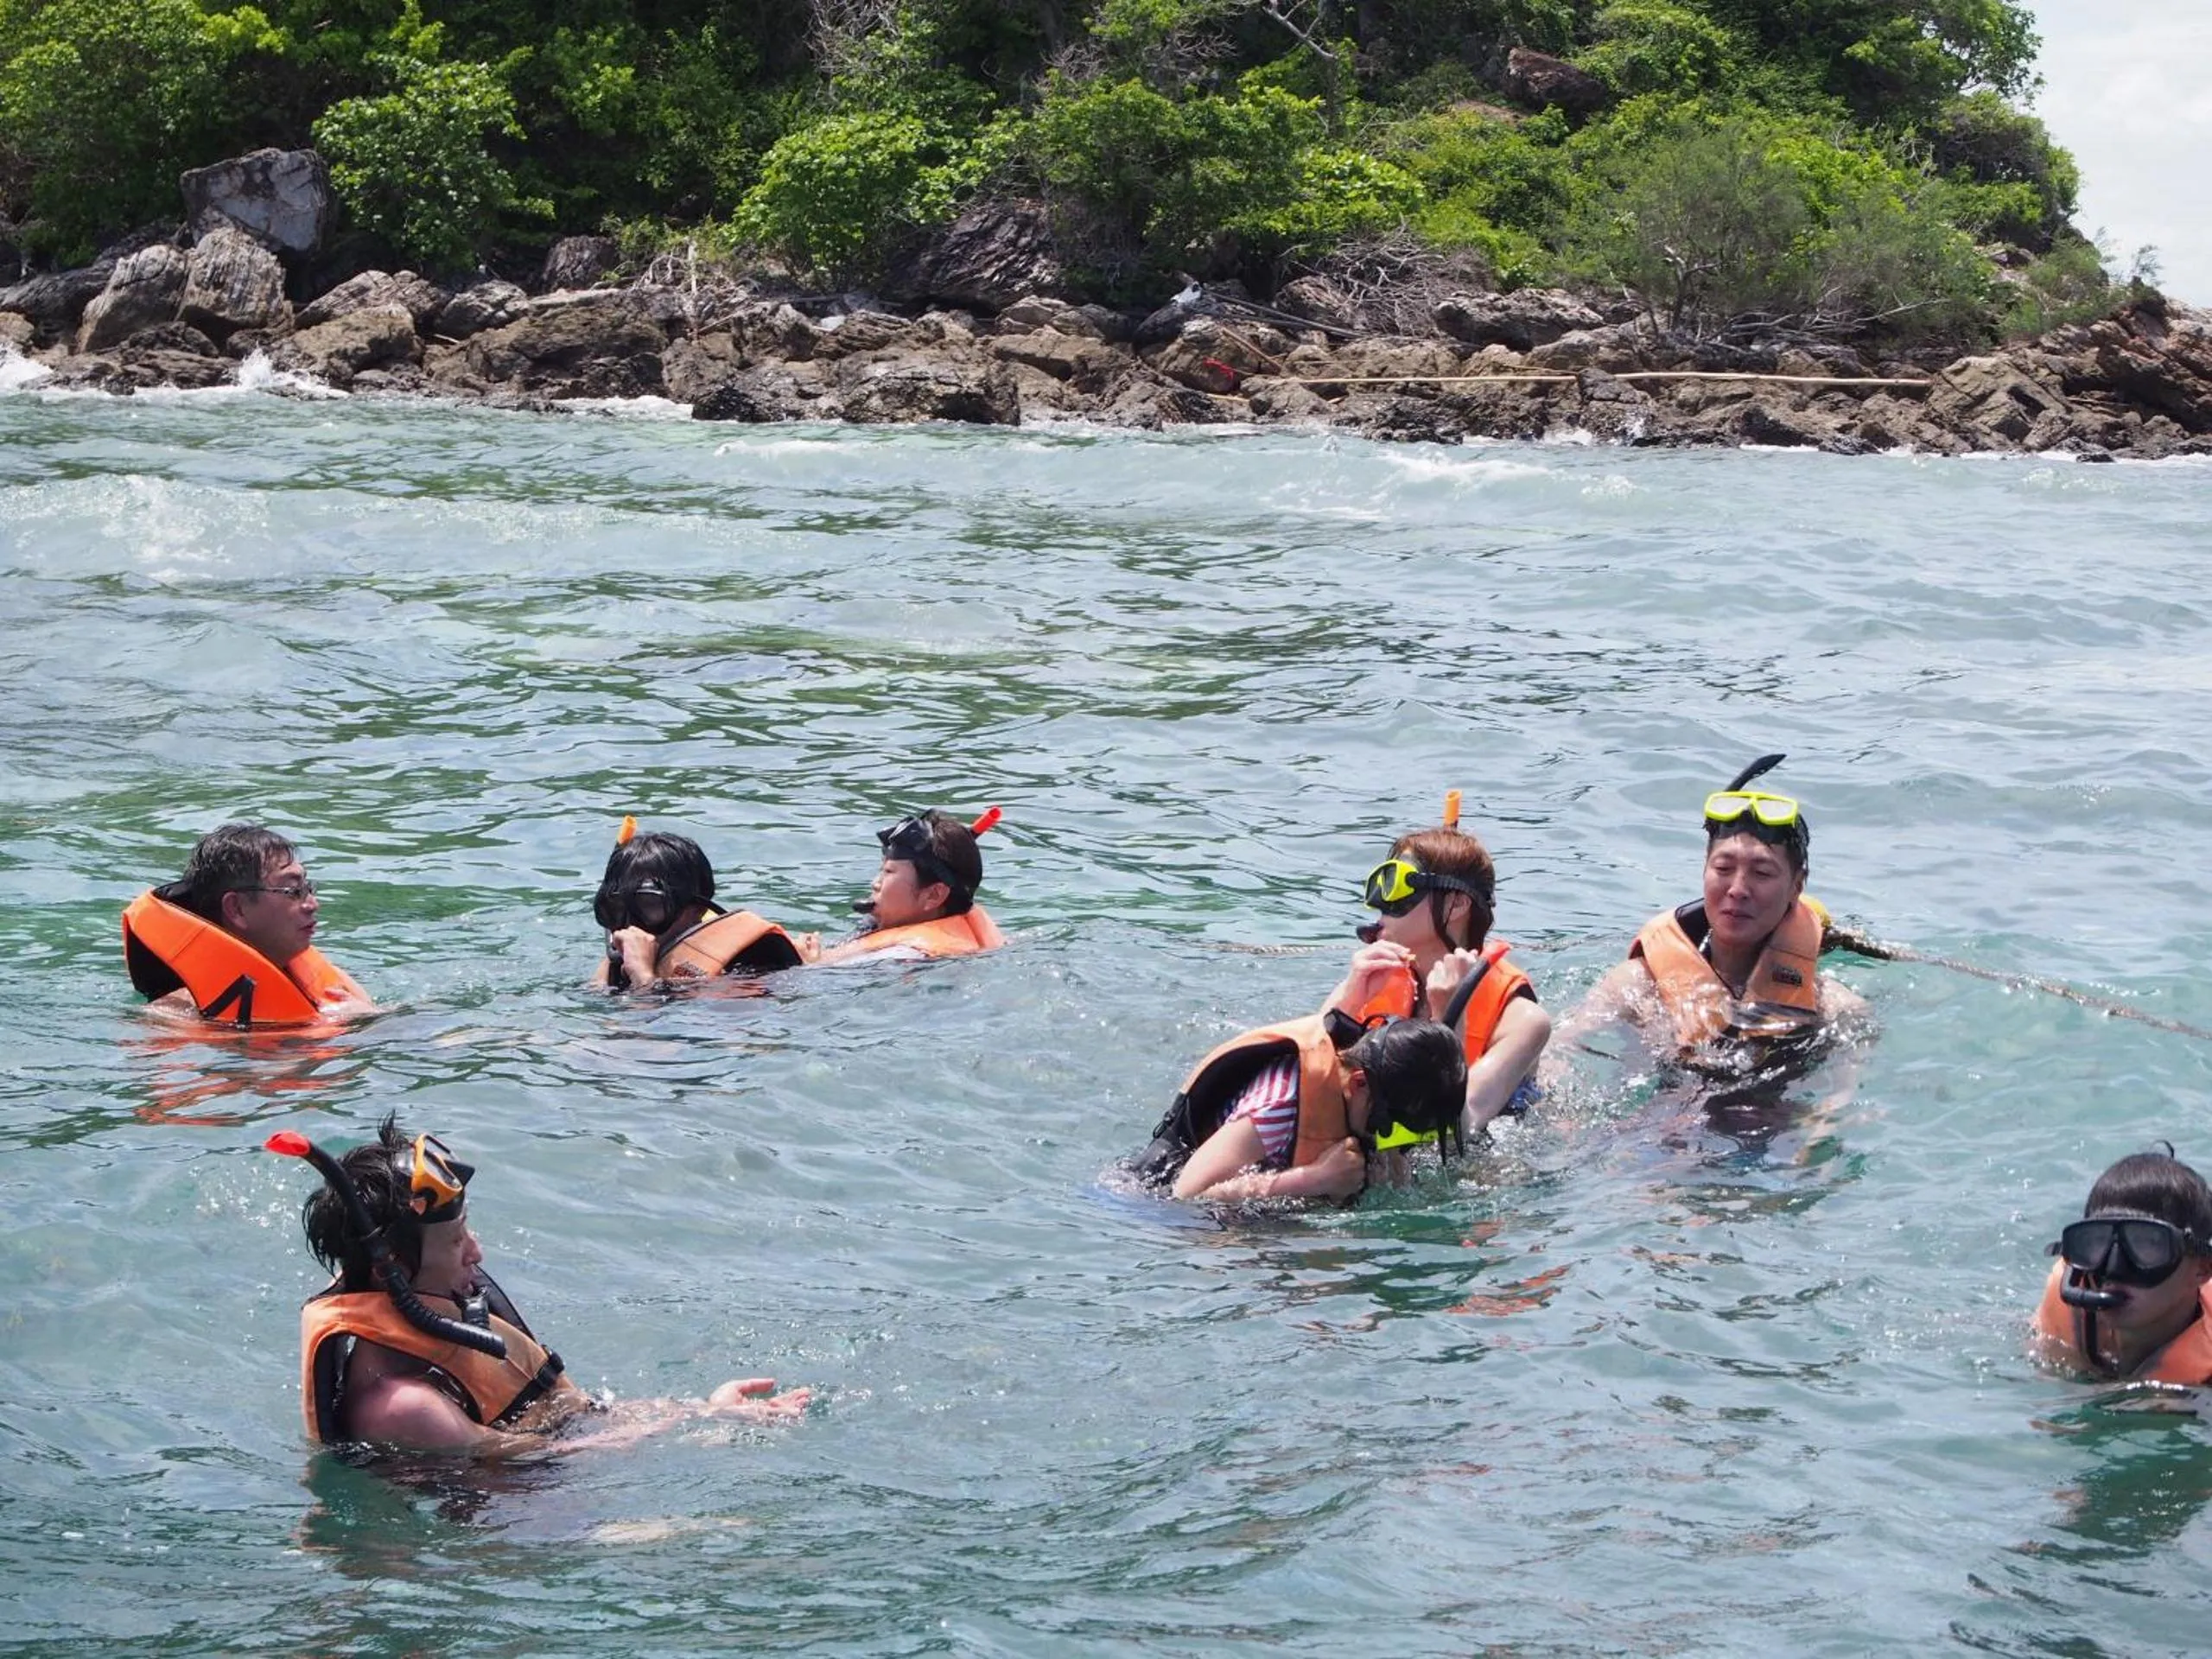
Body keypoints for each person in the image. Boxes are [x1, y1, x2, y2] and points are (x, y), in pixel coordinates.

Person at [274, 1115, 808, 1456]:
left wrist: (701, 1408)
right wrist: (704, 1425)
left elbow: (568, 1424)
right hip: (499, 1550)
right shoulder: (403, 1407)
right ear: (391, 1264)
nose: (477, 1254)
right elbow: (552, 1453)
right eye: (457, 1241)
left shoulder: (428, 1324)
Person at [1565, 754, 1866, 1064]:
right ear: (1704, 870)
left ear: (1796, 887)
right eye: (1723, 868)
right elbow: (1561, 1046)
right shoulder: (1638, 986)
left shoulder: (1833, 1009)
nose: (1737, 889)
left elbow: (1845, 1100)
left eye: (1762, 873)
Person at [1320, 796, 1552, 1140]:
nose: (1380, 902)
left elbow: (1462, 1129)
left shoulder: (1523, 1021)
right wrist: (1346, 1009)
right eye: (1379, 884)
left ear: (1456, 903)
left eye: (1398, 886)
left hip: (1487, 1155)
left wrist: (1451, 1016)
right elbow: (1301, 1081)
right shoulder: (1371, 981)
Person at [123, 823, 372, 1027]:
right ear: (237, 909)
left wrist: (367, 1017)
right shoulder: (174, 1017)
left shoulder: (334, 986)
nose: (312, 904)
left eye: (308, 888)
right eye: (293, 891)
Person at [2031, 1148, 2212, 1384]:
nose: (2114, 1268)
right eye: (2097, 1242)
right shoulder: (2067, 1308)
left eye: (2147, 1245)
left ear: (2203, 1269)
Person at [594, 823, 815, 990]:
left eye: (649, 906)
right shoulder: (620, 962)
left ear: (696, 910)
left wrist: (643, 977)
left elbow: (655, 1048)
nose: (631, 924)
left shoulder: (744, 966)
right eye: (617, 907)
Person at [814, 807, 1006, 965]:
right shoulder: (974, 941)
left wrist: (813, 961)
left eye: (888, 872)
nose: (875, 883)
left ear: (934, 895)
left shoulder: (901, 957)